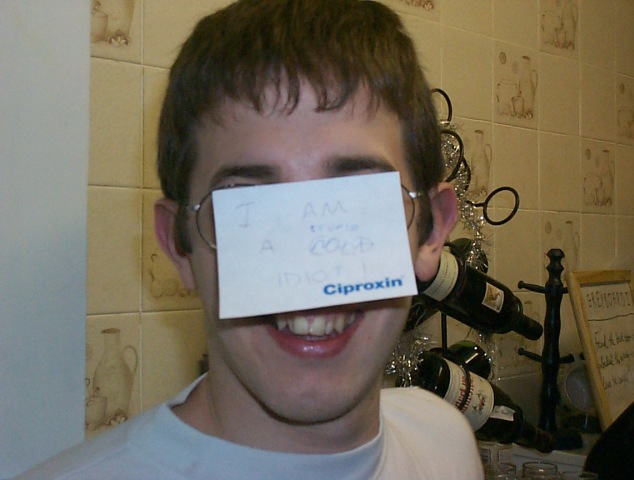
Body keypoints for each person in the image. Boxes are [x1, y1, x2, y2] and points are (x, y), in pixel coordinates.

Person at [15, 0, 483, 478]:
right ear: (179, 244)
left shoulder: (446, 441)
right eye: (248, 207)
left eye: (353, 201)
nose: (307, 273)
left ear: (431, 232)